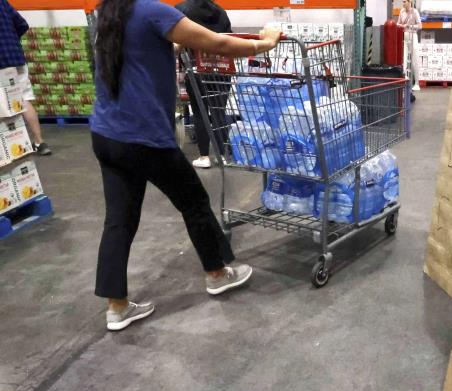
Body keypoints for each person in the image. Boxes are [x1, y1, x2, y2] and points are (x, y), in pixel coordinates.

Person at [92, 0, 280, 331]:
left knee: (118, 219)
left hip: (107, 135)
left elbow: (146, 50)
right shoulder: (151, 11)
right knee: (193, 202)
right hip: (144, 137)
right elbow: (219, 43)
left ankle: (117, 307)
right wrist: (264, 42)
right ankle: (217, 273)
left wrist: (177, 41)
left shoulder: (109, 16)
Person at [175, 0, 231, 169]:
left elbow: (177, 39)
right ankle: (221, 155)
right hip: (221, 67)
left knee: (200, 112)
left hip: (196, 67)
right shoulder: (220, 11)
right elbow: (229, 37)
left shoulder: (182, 9)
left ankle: (204, 156)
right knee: (219, 112)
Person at [0, 0, 51, 155]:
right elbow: (22, 24)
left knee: (3, 105)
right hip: (16, 57)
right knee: (23, 99)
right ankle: (39, 143)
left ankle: (10, 149)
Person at [397, 0, 422, 91]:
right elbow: (398, 23)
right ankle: (405, 80)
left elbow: (420, 26)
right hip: (405, 36)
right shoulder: (401, 11)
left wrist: (411, 26)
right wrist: (403, 26)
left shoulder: (414, 12)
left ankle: (417, 83)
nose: (403, 4)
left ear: (409, 2)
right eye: (402, 2)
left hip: (413, 36)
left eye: (404, 1)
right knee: (404, 59)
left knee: (415, 59)